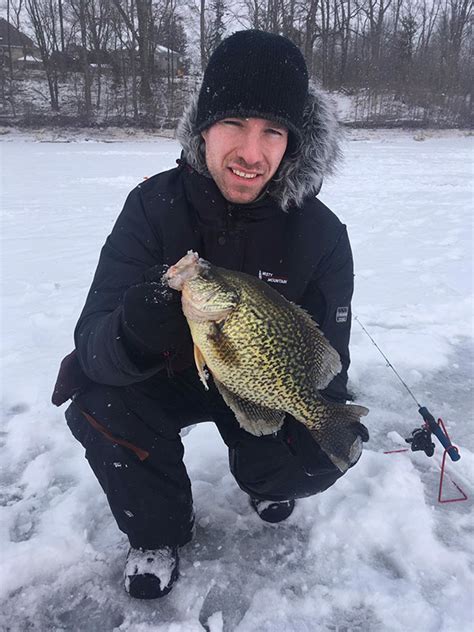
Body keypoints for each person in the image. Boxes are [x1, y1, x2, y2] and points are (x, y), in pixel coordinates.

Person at [52, 30, 364, 600]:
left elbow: (329, 361)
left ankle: (265, 473)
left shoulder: (322, 235)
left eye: (273, 131)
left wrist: (311, 420)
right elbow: (91, 339)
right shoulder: (151, 207)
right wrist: (133, 333)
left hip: (258, 383)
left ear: (294, 143)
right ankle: (157, 532)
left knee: (317, 450)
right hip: (167, 377)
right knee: (97, 397)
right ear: (203, 128)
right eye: (234, 124)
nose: (251, 152)